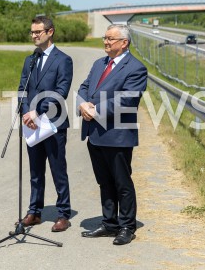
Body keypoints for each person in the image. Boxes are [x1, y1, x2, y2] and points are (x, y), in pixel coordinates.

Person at [77, 24, 147, 245]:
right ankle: (109, 223)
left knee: (121, 182)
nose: (105, 42)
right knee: (104, 181)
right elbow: (84, 87)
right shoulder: (100, 64)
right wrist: (82, 104)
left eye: (110, 39)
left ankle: (127, 226)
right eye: (104, 38)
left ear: (124, 43)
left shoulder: (135, 68)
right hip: (95, 133)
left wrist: (95, 110)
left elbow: (127, 99)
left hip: (117, 135)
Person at [17, 16, 73, 232]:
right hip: (31, 124)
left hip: (53, 123)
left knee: (58, 170)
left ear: (50, 32)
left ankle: (63, 214)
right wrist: (24, 113)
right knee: (35, 171)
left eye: (38, 32)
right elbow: (22, 88)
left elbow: (61, 91)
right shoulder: (29, 60)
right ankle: (34, 212)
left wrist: (37, 112)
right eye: (32, 32)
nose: (34, 35)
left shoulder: (63, 60)